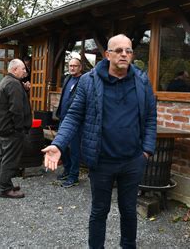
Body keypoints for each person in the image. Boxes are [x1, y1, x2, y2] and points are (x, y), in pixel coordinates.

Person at [42, 34, 157, 248]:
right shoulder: (89, 81)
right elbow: (74, 115)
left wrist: (147, 151)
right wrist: (58, 144)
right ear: (107, 54)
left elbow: (150, 117)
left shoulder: (141, 80)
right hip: (101, 160)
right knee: (99, 211)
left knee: (129, 210)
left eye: (129, 51)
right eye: (119, 50)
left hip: (133, 160)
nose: (124, 54)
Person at [0, 58, 32, 199]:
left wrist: (25, 90)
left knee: (3, 157)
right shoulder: (14, 84)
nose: (25, 71)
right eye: (23, 69)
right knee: (9, 159)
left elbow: (15, 101)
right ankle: (5, 189)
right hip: (11, 130)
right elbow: (16, 109)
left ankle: (3, 184)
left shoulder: (7, 81)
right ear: (15, 69)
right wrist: (19, 129)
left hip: (3, 128)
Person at [54, 57, 83, 188]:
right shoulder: (67, 79)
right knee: (62, 147)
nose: (72, 68)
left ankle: (74, 176)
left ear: (80, 67)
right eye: (70, 65)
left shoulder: (84, 81)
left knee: (75, 149)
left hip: (76, 121)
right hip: (63, 119)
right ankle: (67, 169)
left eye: (75, 66)